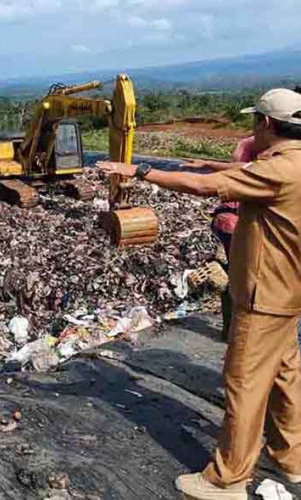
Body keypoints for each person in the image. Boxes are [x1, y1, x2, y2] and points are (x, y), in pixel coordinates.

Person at [97, 88, 301, 499]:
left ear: (264, 124)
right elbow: (233, 174)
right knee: (284, 375)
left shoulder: (280, 171)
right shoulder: (291, 163)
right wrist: (206, 162)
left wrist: (139, 173)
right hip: (290, 292)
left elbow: (206, 187)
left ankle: (227, 480)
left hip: (264, 295)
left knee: (243, 382)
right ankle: (291, 457)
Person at [182, 136, 258, 341]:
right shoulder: (258, 145)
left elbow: (240, 167)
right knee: (242, 278)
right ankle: (235, 331)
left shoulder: (256, 144)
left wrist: (207, 164)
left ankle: (232, 329)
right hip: (236, 221)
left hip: (233, 220)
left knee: (237, 277)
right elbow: (241, 168)